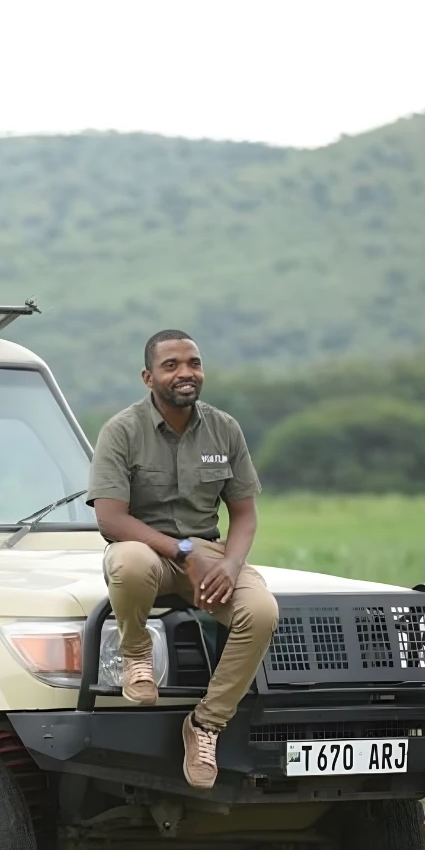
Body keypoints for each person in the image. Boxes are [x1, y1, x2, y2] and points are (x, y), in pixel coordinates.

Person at [88, 329, 279, 790]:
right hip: (148, 550)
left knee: (261, 612)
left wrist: (230, 565)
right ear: (148, 377)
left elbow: (244, 515)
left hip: (209, 552)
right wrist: (181, 552)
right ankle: (137, 656)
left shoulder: (224, 429)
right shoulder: (122, 430)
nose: (185, 373)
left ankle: (207, 724)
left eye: (193, 363)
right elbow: (111, 519)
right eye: (171, 365)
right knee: (129, 562)